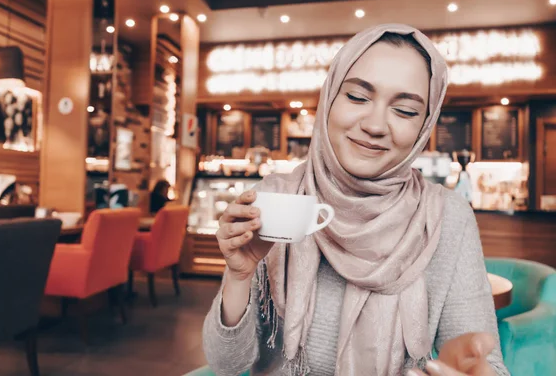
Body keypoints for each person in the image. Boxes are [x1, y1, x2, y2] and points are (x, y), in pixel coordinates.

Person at [203, 24, 509, 376]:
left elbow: (489, 364)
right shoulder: (275, 200)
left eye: (406, 111)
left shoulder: (446, 216)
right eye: (357, 97)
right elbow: (227, 366)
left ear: (425, 125)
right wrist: (239, 275)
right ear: (329, 98)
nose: (376, 124)